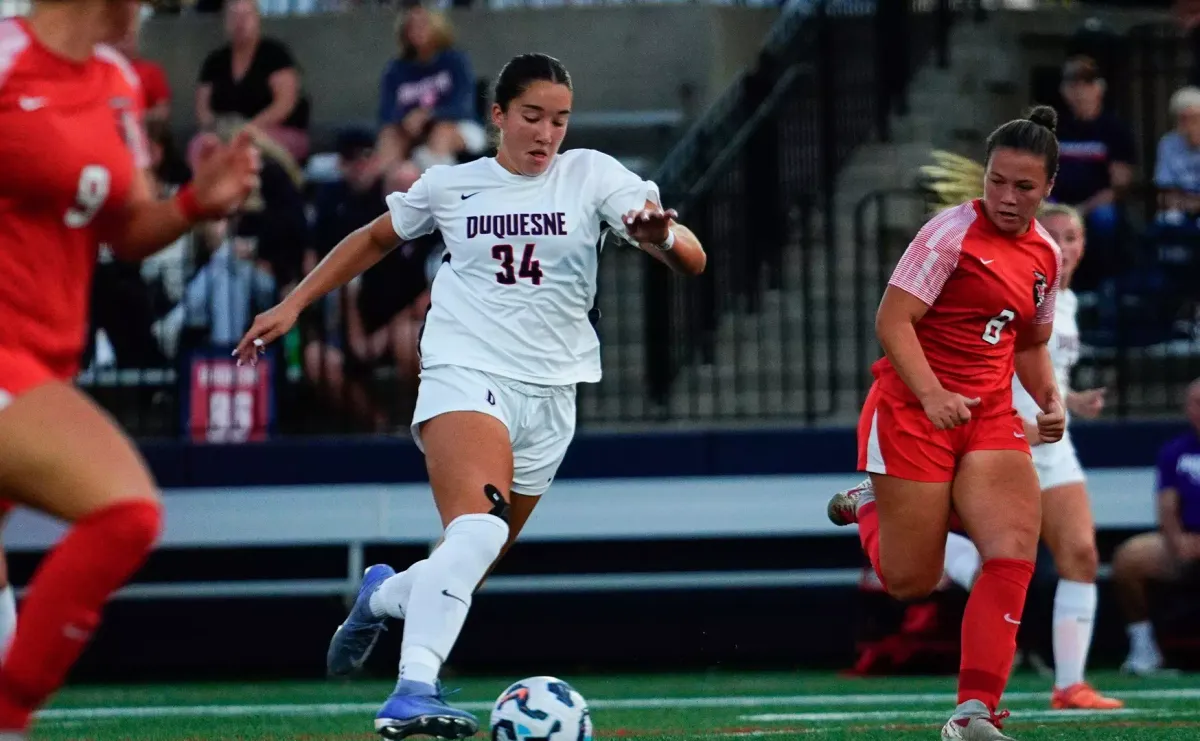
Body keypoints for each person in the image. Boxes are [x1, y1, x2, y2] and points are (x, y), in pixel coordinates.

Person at [234, 52, 705, 739]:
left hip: (552, 394)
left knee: (470, 561)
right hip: (463, 370)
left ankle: (385, 592)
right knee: (477, 531)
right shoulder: (452, 186)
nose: (547, 133)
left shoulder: (593, 175)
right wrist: (296, 303)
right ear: (498, 115)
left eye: (560, 120)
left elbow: (688, 256)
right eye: (532, 117)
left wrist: (663, 234)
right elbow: (372, 239)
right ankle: (412, 690)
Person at [0, 2, 258, 736]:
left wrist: (190, 203)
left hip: (45, 364)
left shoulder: (117, 80)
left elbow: (127, 228)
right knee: (125, 510)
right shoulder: (6, 58)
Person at [826, 107, 1066, 741]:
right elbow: (892, 321)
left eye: (1024, 186)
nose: (1007, 197)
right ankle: (872, 504)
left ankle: (973, 713)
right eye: (997, 182)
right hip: (912, 410)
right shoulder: (947, 236)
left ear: (1048, 188)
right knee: (911, 580)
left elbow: (1029, 343)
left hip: (988, 417)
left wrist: (1048, 397)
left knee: (1013, 553)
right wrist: (931, 394)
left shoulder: (1045, 253)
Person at [844, 201, 1119, 709]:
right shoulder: (995, 269)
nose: (1062, 244)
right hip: (991, 431)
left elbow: (1041, 364)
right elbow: (975, 355)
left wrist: (1067, 403)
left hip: (1046, 438)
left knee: (1074, 552)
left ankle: (1056, 686)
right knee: (927, 575)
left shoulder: (1066, 299)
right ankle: (879, 503)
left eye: (1073, 236)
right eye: (1055, 233)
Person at [1112, 378, 1200, 676]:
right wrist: (1178, 541)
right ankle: (1144, 649)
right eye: (1195, 403)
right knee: (1129, 558)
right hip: (1184, 542)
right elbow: (1167, 505)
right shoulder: (1175, 451)